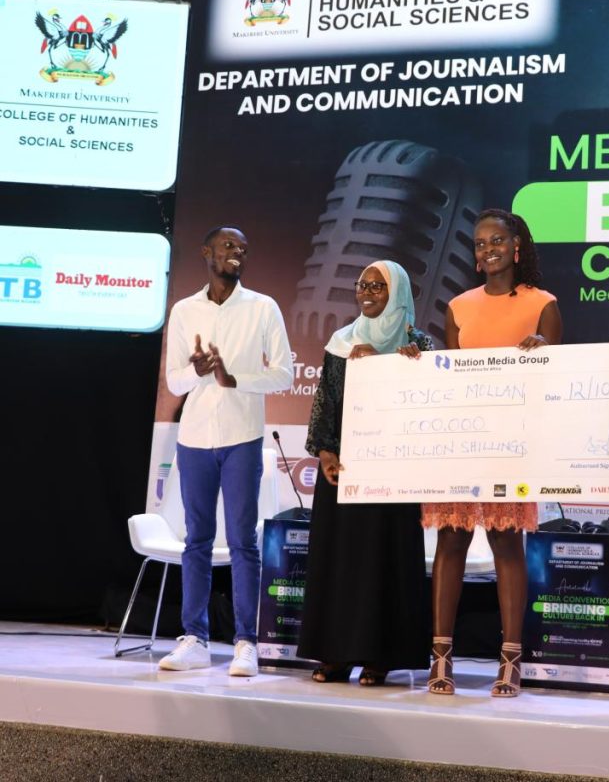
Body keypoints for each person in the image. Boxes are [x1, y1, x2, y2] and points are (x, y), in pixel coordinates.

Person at [423, 209, 562, 698]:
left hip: (513, 442)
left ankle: (511, 659)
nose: (488, 250)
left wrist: (542, 351)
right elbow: (454, 378)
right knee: (451, 539)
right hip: (463, 439)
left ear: (517, 245)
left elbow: (552, 380)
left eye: (497, 240)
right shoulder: (458, 306)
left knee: (506, 544)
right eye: (480, 243)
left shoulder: (543, 305)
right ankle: (441, 656)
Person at [160, 226, 294, 676]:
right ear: (207, 253)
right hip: (194, 437)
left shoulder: (262, 307)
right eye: (228, 246)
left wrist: (235, 379)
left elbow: (284, 375)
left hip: (242, 435)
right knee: (195, 540)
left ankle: (245, 642)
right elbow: (174, 380)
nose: (236, 253)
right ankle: (194, 639)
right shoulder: (184, 310)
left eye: (242, 248)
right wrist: (197, 370)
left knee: (242, 540)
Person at [298, 260, 433, 685]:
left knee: (383, 562)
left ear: (398, 292)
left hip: (392, 471)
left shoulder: (419, 344)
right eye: (362, 285)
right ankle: (336, 654)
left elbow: (428, 407)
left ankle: (381, 656)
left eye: (378, 286)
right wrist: (325, 453)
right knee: (339, 560)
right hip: (344, 467)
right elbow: (326, 403)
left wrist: (397, 365)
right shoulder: (342, 341)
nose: (368, 292)